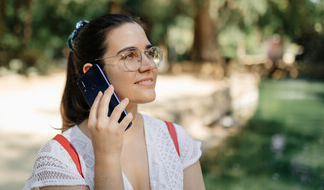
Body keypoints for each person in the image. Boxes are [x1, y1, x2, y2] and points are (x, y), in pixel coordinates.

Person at [23, 14, 206, 190]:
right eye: (129, 56)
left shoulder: (176, 140)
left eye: (149, 53)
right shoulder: (59, 159)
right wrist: (106, 157)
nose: (149, 65)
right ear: (92, 73)